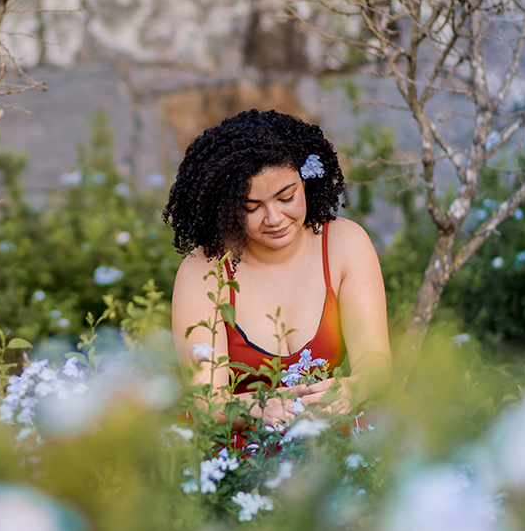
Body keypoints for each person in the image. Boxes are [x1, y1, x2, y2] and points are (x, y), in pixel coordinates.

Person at [164, 108, 391, 426]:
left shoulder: (344, 243)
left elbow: (375, 361)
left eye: (286, 198)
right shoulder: (203, 270)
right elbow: (205, 401)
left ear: (305, 183)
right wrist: (258, 409)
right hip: (243, 442)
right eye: (251, 207)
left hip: (333, 426)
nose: (274, 218)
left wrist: (354, 388)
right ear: (225, 207)